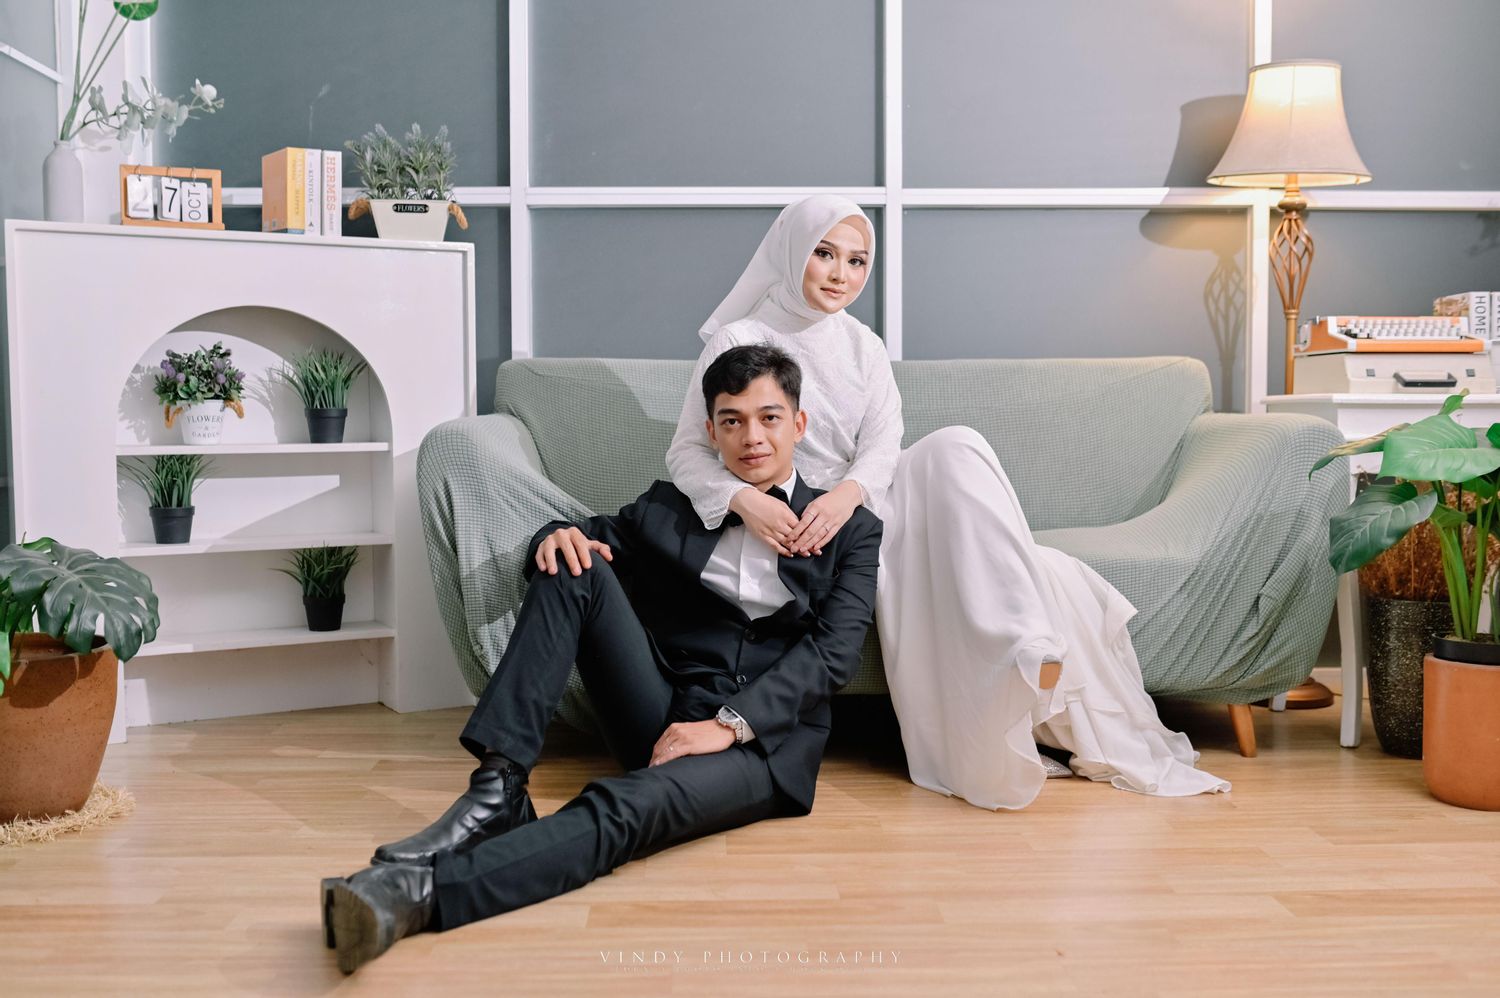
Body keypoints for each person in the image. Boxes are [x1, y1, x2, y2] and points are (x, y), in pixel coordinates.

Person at [321, 345, 882, 974]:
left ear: (798, 425)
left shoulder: (851, 529)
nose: (752, 437)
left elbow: (833, 655)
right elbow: (587, 536)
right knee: (572, 563)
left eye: (769, 418)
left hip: (761, 744)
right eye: (733, 420)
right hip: (661, 708)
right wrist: (551, 536)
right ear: (711, 432)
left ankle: (414, 896)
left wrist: (729, 725)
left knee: (624, 808)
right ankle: (498, 786)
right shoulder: (672, 507)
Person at [666, 195, 1229, 811]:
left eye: (857, 261)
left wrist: (848, 497)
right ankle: (1020, 655)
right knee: (1043, 567)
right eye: (824, 254)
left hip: (865, 498)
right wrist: (749, 502)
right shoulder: (740, 338)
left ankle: (1023, 640)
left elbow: (884, 443)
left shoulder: (862, 344)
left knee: (958, 444)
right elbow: (688, 451)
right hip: (803, 510)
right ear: (792, 250)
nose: (840, 274)